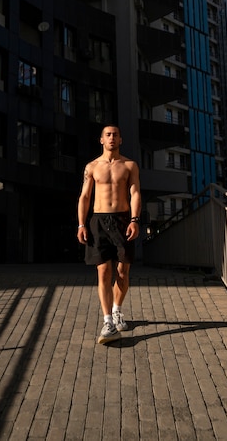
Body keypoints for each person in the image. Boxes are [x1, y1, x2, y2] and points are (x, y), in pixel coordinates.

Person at [77, 125, 141, 344]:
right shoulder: (92, 166)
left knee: (122, 271)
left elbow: (135, 193)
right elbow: (85, 197)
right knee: (103, 272)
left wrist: (134, 220)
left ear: (120, 140)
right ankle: (108, 323)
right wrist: (81, 224)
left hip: (123, 220)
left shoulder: (130, 165)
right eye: (108, 135)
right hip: (98, 221)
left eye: (115, 135)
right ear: (101, 140)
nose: (112, 137)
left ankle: (117, 310)